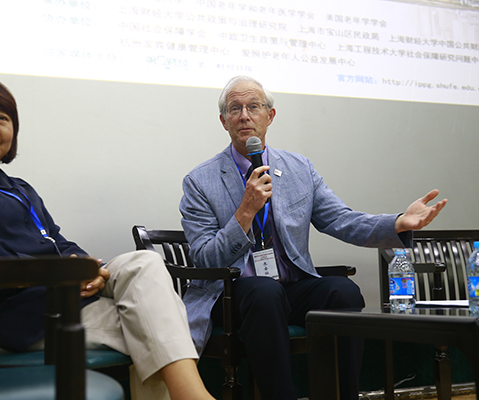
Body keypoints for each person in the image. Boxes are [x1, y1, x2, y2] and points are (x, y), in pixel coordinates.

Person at [0, 77, 214, 400]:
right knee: (154, 322)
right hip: (2, 319)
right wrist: (53, 275)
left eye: (3, 118)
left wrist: (87, 268)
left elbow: (57, 243)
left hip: (56, 299)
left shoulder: (19, 188)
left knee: (144, 262)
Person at [179, 75, 448, 400]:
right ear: (224, 121)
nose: (245, 116)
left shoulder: (299, 169)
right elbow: (204, 258)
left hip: (288, 288)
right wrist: (245, 211)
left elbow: (340, 219)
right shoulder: (200, 181)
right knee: (264, 292)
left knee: (343, 291)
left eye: (254, 107)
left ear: (270, 115)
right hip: (232, 296)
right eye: (235, 109)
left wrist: (398, 223)